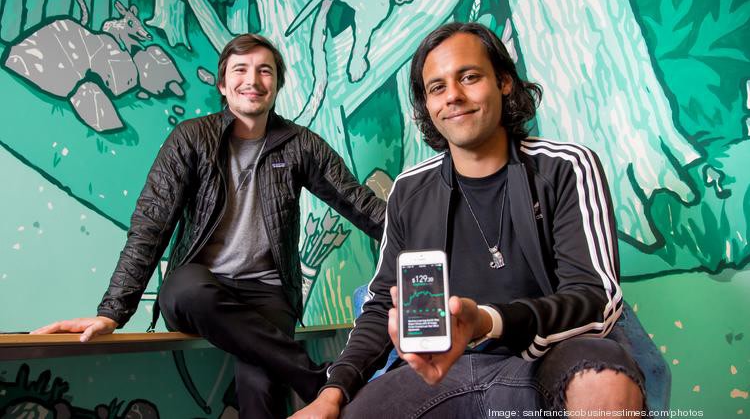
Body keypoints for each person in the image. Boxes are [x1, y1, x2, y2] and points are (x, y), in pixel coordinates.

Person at [292, 22, 644, 418]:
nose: (453, 96)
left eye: (470, 77)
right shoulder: (409, 190)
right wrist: (332, 392)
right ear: (427, 104)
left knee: (603, 381)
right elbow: (378, 307)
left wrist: (487, 321)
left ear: (505, 82)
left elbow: (596, 299)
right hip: (443, 372)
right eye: (437, 87)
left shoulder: (565, 167)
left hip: (549, 356)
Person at [32, 34, 385, 419]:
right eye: (241, 69)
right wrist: (113, 311)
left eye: (265, 70)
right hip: (201, 288)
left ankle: (315, 381)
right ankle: (321, 381)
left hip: (267, 292)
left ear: (278, 84)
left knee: (260, 382)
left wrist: (430, 240)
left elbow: (360, 203)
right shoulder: (191, 138)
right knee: (185, 286)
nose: (253, 79)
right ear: (222, 84)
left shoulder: (299, 144)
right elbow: (151, 223)